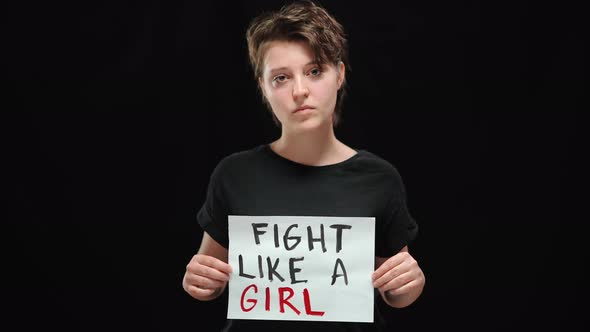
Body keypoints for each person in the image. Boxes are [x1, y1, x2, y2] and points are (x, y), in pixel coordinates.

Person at [182, 1, 425, 331]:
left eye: (314, 71)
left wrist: (410, 285)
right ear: (263, 87)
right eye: (281, 78)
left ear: (339, 74)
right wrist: (199, 281)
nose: (300, 91)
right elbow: (209, 279)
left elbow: (394, 289)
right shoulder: (234, 175)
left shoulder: (379, 179)